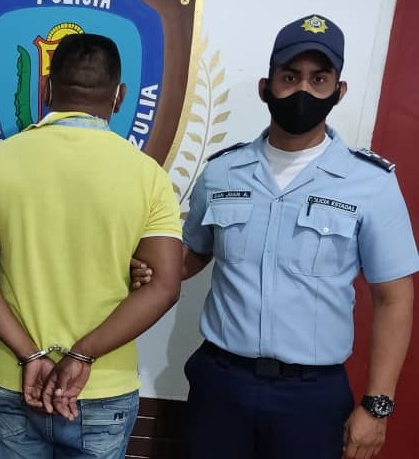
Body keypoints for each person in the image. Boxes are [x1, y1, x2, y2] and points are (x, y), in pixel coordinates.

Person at [131, 14, 418, 459]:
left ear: (339, 90)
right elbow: (192, 254)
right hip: (221, 384)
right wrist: (149, 267)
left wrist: (377, 406)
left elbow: (393, 298)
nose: (302, 90)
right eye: (290, 76)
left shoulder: (371, 183)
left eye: (318, 79)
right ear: (266, 87)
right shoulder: (223, 171)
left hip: (311, 396)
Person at [0, 33, 184, 458]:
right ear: (120, 96)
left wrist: (29, 356)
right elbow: (164, 286)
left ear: (45, 88)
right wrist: (82, 355)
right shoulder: (148, 175)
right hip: (102, 385)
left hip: (15, 376)